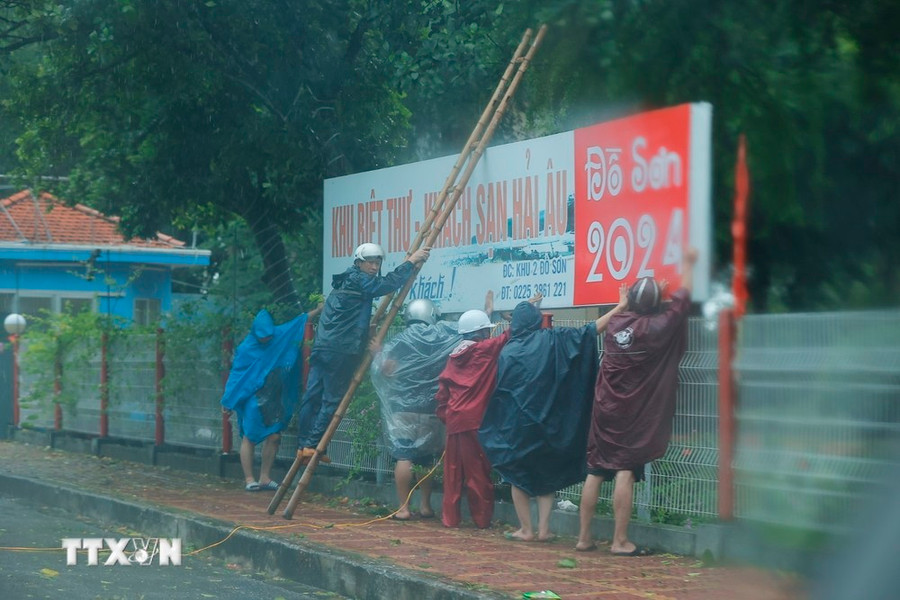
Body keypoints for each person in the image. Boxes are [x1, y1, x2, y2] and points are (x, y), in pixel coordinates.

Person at [479, 286, 628, 542]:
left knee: (517, 475)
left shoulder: (509, 351)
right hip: (549, 424)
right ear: (537, 322)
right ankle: (545, 529)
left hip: (517, 427)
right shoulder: (554, 340)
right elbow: (590, 331)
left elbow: (503, 392)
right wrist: (621, 306)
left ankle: (526, 529)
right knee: (546, 476)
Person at [576, 247, 698, 555]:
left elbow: (630, 311)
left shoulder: (615, 325)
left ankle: (583, 538)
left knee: (595, 471)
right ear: (655, 305)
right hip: (632, 414)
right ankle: (620, 541)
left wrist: (626, 303)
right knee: (624, 470)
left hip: (604, 410)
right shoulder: (656, 327)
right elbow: (681, 303)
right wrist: (687, 264)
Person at [296, 242, 430, 463]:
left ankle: (303, 445)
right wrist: (411, 262)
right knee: (331, 399)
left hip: (323, 346)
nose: (374, 266)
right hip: (340, 350)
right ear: (358, 262)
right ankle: (312, 444)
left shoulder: (346, 280)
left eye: (377, 262)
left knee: (312, 396)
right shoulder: (360, 280)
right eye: (370, 262)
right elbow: (386, 285)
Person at [434, 290, 530, 529]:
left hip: (455, 421)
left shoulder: (454, 355)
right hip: (476, 422)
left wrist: (447, 417)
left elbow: (442, 395)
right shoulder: (484, 351)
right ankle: (482, 519)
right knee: (478, 473)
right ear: (482, 332)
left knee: (453, 474)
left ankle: (450, 519)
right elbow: (509, 335)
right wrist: (521, 313)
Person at [370, 298, 462, 520]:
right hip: (431, 410)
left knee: (404, 455)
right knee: (426, 458)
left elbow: (385, 370)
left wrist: (377, 353)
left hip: (403, 411)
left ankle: (403, 508)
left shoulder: (399, 342)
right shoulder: (441, 339)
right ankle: (426, 506)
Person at [221, 308, 311, 491]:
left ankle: (264, 477)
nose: (266, 339)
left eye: (268, 336)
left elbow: (298, 322)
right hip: (252, 397)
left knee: (275, 436)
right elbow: (237, 375)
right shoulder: (246, 349)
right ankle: (249, 479)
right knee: (250, 436)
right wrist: (228, 401)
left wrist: (319, 309)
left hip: (273, 394)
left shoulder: (278, 335)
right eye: (262, 336)